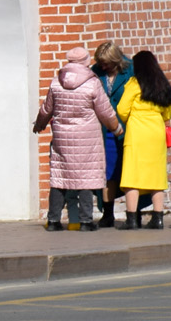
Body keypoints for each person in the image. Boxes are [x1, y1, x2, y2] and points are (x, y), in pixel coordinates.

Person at [33, 46, 120, 231]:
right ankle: (86, 222)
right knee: (85, 178)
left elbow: (46, 108)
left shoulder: (57, 81)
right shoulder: (92, 82)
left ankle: (54, 221)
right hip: (87, 138)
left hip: (62, 138)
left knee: (59, 178)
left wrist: (39, 124)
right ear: (86, 61)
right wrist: (116, 128)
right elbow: (104, 111)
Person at [117, 49, 171, 229]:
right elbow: (167, 112)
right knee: (156, 176)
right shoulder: (162, 83)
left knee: (132, 176)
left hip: (137, 132)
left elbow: (121, 108)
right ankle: (158, 218)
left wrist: (130, 120)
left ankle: (132, 219)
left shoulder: (135, 83)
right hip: (156, 133)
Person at [92, 40, 134, 226]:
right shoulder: (96, 72)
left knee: (130, 170)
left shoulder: (130, 70)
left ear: (115, 60)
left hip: (128, 127)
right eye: (101, 62)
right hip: (105, 128)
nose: (103, 66)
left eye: (106, 63)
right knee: (108, 172)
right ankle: (108, 213)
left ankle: (134, 211)